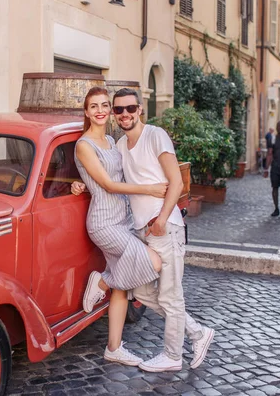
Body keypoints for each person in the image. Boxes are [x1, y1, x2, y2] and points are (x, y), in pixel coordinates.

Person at [76, 88, 214, 372]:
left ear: (140, 109)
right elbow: (104, 179)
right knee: (142, 292)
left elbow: (175, 182)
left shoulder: (154, 135)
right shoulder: (120, 145)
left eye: (129, 108)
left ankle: (173, 356)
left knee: (170, 295)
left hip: (163, 226)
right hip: (134, 227)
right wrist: (76, 184)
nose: (123, 114)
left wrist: (163, 218)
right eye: (118, 110)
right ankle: (197, 332)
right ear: (90, 112)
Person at [73, 86, 166, 367]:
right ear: (87, 112)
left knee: (122, 290)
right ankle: (102, 280)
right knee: (154, 261)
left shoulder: (113, 142)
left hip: (123, 219)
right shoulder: (83, 145)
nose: (100, 110)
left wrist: (77, 184)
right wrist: (149, 189)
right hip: (103, 222)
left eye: (104, 105)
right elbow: (109, 184)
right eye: (94, 106)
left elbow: (104, 177)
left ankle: (113, 347)